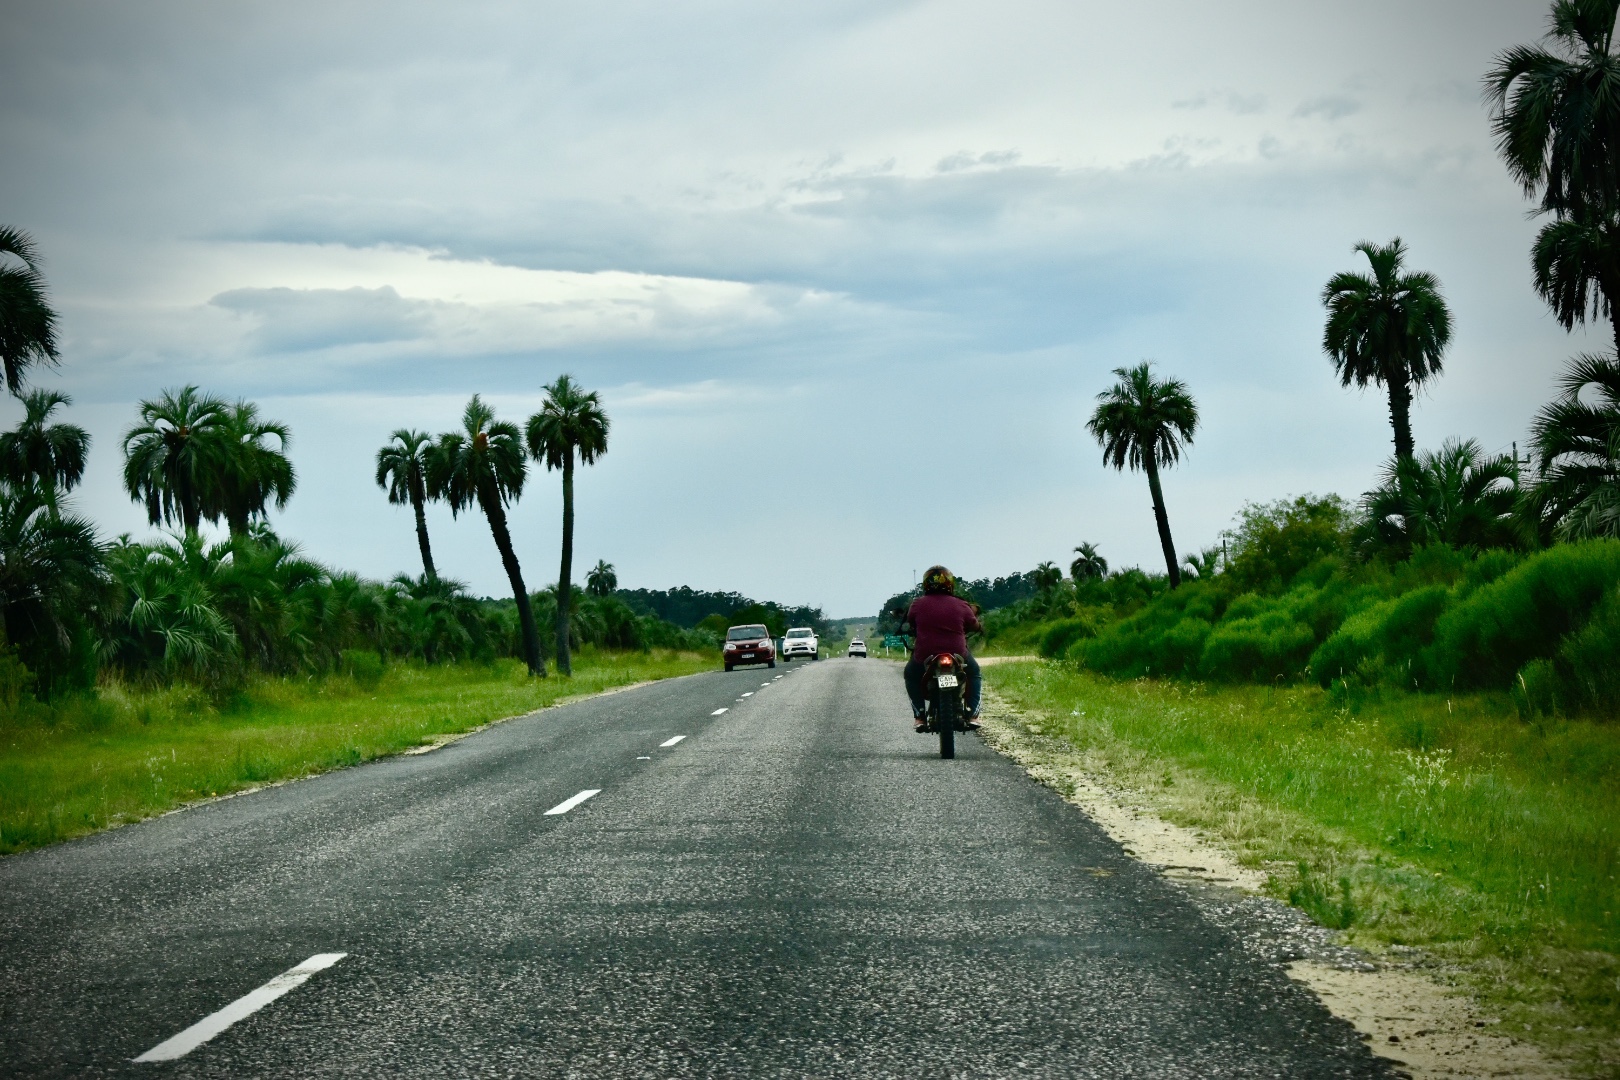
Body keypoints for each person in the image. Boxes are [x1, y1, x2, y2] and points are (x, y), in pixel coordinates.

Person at [902, 565, 982, 732]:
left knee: (910, 675)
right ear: (950, 583)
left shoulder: (917, 604)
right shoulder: (961, 604)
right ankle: (973, 713)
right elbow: (974, 625)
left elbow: (911, 623)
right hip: (957, 652)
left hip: (924, 653)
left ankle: (920, 716)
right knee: (974, 673)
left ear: (926, 583)